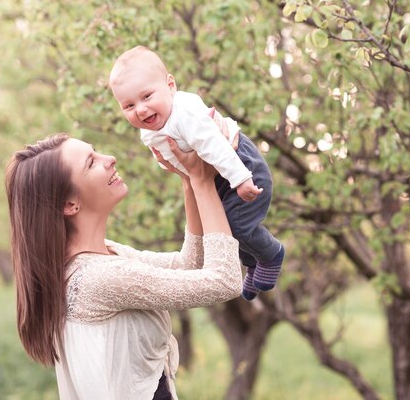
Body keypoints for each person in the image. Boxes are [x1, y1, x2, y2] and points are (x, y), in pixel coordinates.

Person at [5, 132, 242, 400]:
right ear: (70, 204)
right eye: (91, 163)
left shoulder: (104, 252)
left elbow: (187, 265)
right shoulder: (100, 277)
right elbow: (225, 281)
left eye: (96, 151)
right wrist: (203, 182)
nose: (110, 159)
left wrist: (189, 180)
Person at [109, 46, 285, 300]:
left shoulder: (185, 114)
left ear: (170, 85)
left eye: (147, 96)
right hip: (218, 176)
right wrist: (179, 170)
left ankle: (271, 255)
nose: (141, 110)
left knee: (236, 225)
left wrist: (242, 179)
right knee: (223, 229)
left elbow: (216, 147)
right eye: (128, 105)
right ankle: (254, 262)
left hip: (239, 164)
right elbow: (171, 158)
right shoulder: (151, 127)